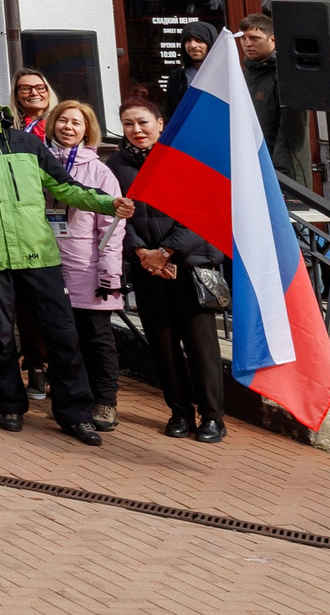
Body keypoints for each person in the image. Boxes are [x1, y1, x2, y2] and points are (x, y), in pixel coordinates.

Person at [0, 75, 130, 444]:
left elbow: (65, 187)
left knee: (62, 335)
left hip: (40, 255)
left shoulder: (27, 142)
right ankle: (11, 405)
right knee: (0, 338)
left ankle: (74, 413)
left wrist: (107, 203)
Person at [113, 101, 227, 441]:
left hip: (189, 266)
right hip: (147, 268)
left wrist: (166, 252)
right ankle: (179, 412)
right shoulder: (116, 165)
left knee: (200, 346)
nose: (137, 130)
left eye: (143, 122)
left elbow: (202, 213)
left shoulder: (186, 159)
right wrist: (141, 253)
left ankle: (211, 417)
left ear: (160, 123)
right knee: (162, 346)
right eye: (128, 124)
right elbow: (115, 215)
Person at [44, 100, 125, 432]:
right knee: (64, 338)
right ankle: (74, 395)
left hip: (87, 266)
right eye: (62, 121)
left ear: (86, 129)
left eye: (76, 123)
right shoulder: (41, 162)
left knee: (97, 338)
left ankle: (105, 401)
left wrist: (109, 271)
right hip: (51, 264)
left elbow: (112, 225)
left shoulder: (99, 170)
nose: (68, 128)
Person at [188, 13, 308, 182]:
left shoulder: (288, 78)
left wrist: (278, 179)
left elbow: (292, 137)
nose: (247, 43)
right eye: (243, 38)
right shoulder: (241, 76)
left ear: (272, 40)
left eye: (254, 38)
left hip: (280, 177)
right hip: (247, 171)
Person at [11, 69, 56, 140]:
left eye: (40, 88)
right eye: (26, 89)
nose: (34, 93)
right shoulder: (9, 129)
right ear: (16, 96)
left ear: (48, 93)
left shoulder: (61, 125)